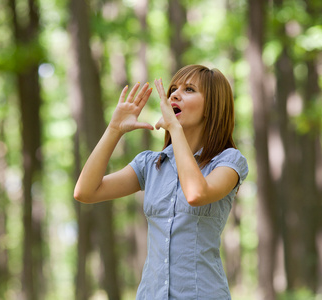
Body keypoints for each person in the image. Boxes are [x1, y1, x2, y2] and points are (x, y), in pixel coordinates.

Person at [74, 64, 248, 299]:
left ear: (212, 107)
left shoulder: (228, 161)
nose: (174, 94)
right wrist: (114, 129)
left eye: (189, 89)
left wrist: (175, 129)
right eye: (173, 89)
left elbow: (196, 193)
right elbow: (85, 192)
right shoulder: (150, 164)